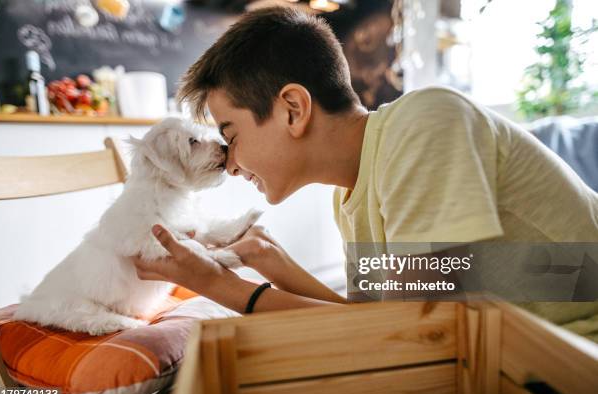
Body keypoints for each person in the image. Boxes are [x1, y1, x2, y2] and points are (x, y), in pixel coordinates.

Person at [133, 7, 598, 314]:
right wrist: (273, 262)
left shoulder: (426, 123)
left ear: (293, 108)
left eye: (230, 136)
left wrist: (223, 288)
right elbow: (371, 321)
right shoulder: (350, 196)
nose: (230, 165)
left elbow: (422, 335)